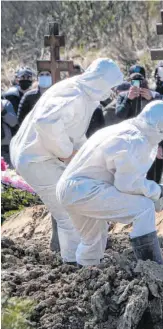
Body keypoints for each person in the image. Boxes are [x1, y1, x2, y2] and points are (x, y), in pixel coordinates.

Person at [10, 58, 124, 263]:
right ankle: (73, 265)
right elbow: (46, 123)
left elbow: (75, 133)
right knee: (69, 211)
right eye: (110, 85)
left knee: (74, 206)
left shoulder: (84, 95)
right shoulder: (74, 95)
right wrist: (66, 152)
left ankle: (79, 260)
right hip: (37, 159)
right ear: (100, 81)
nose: (111, 91)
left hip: (43, 155)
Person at [56, 101, 163, 266]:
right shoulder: (136, 139)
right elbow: (127, 185)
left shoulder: (122, 130)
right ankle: (155, 268)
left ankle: (86, 279)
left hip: (70, 190)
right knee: (143, 209)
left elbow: (130, 181)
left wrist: (161, 199)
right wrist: (159, 195)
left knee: (94, 239)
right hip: (87, 189)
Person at [1, 99, 18, 166]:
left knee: (8, 173)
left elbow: (13, 122)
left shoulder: (5, 104)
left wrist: (3, 111)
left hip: (5, 148)